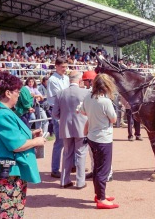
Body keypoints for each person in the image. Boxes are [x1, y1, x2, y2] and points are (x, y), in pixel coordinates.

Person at [0, 71, 46, 218]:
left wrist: (31, 134)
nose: (19, 95)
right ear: (8, 93)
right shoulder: (2, 113)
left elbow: (6, 137)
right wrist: (36, 141)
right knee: (9, 215)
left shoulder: (0, 110)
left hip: (6, 172)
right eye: (17, 91)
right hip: (4, 174)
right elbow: (15, 145)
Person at [79, 73, 119, 209]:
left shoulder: (88, 97)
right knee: (103, 170)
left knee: (97, 167)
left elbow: (82, 111)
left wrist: (94, 116)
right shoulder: (105, 101)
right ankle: (101, 198)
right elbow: (113, 119)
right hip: (103, 138)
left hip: (92, 136)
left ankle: (99, 194)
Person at [52, 71, 89, 189]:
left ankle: (64, 181)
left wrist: (64, 118)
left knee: (67, 153)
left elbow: (55, 113)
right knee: (81, 154)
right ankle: (80, 182)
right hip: (82, 128)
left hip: (66, 127)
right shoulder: (86, 92)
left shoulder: (60, 93)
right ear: (79, 80)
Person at [47, 57, 70, 178]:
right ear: (56, 66)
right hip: (57, 110)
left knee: (70, 138)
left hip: (66, 110)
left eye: (66, 67)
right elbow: (60, 95)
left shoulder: (66, 78)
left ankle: (72, 165)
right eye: (62, 67)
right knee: (60, 141)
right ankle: (54, 169)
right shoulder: (52, 79)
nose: (65, 69)